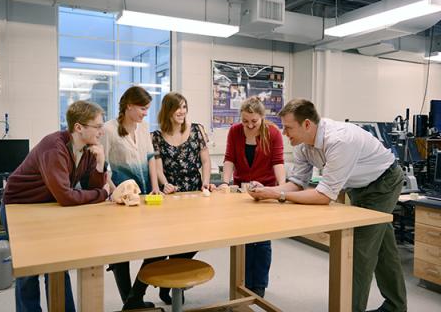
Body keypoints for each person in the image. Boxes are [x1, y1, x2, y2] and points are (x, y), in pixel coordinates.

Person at [248, 98, 407, 312]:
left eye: (288, 128)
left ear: (307, 124)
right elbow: (296, 183)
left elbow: (324, 196)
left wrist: (279, 196)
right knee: (383, 246)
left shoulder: (339, 140)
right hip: (359, 186)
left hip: (384, 182)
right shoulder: (303, 146)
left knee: (358, 250)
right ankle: (397, 306)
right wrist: (268, 191)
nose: (284, 134)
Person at [0, 100, 109, 312]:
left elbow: (88, 188)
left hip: (47, 207)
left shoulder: (88, 150)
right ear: (78, 127)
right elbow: (67, 197)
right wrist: (103, 193)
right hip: (19, 207)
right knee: (28, 271)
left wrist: (99, 164)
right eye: (97, 126)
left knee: (58, 266)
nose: (102, 132)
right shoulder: (54, 147)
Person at [102, 86, 163, 310]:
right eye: (142, 108)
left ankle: (134, 297)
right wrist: (114, 191)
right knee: (122, 252)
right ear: (129, 106)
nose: (145, 113)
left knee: (157, 247)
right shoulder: (108, 130)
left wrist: (155, 187)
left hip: (145, 194)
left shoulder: (143, 127)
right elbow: (101, 167)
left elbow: (150, 158)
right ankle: (131, 301)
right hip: (121, 199)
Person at [218, 96, 285, 297]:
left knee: (262, 241)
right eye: (245, 121)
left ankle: (259, 285)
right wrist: (225, 182)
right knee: (243, 239)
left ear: (262, 117)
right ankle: (244, 282)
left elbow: (278, 161)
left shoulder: (273, 133)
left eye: (254, 121)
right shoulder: (235, 131)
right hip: (241, 191)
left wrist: (281, 188)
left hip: (266, 191)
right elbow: (229, 158)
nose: (249, 125)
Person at [151, 91, 214, 304]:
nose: (182, 111)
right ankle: (171, 283)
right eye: (178, 107)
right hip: (172, 194)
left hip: (195, 191)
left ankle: (174, 275)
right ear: (167, 111)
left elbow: (206, 161)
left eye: (184, 107)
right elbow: (158, 165)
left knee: (194, 239)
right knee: (170, 239)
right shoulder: (157, 136)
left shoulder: (196, 130)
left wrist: (206, 181)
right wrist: (163, 183)